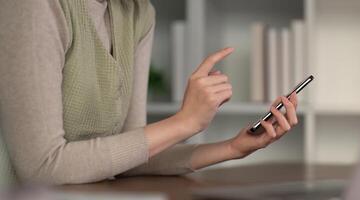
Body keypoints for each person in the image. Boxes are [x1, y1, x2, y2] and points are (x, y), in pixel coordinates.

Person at [0, 0, 299, 185]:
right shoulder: (36, 5)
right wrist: (185, 122)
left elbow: (131, 154)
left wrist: (233, 148)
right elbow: (41, 167)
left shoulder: (139, 12)